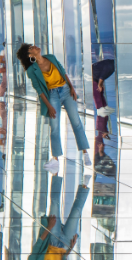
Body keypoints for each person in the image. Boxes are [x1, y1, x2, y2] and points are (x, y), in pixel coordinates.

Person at [17, 43, 90, 172]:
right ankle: (55, 159)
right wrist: (49, 106)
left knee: (76, 122)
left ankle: (85, 153)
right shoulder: (31, 70)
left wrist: (72, 88)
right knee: (55, 127)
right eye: (31, 48)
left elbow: (63, 72)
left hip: (66, 91)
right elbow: (39, 90)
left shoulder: (51, 57)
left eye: (34, 45)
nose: (35, 46)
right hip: (52, 95)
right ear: (30, 55)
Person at [16, 175, 90, 260]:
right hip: (65, 243)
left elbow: (39, 243)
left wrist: (49, 227)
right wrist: (71, 247)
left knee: (55, 204)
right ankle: (85, 185)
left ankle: (55, 174)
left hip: (53, 238)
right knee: (76, 212)